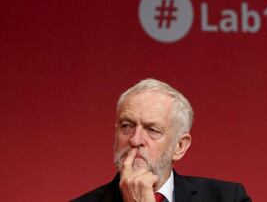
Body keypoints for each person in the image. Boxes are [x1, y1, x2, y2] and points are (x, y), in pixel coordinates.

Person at [72, 78, 252, 202]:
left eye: (152, 130)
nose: (135, 140)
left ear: (179, 147)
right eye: (126, 126)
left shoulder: (228, 198)